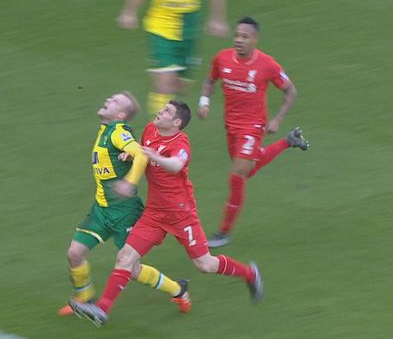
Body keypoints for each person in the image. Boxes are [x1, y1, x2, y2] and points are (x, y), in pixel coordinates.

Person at [69, 101, 262, 327]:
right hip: (154, 213)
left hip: (181, 215)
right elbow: (142, 153)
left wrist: (153, 156)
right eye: (162, 109)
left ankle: (250, 274)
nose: (160, 111)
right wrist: (132, 156)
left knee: (205, 264)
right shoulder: (151, 129)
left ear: (177, 122)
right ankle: (101, 309)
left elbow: (175, 165)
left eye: (167, 111)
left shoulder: (182, 143)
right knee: (125, 258)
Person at [58, 92, 192, 317]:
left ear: (120, 114)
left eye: (115, 101)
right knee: (74, 253)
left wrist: (129, 183)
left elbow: (140, 155)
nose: (108, 100)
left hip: (125, 212)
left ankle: (178, 290)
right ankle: (84, 298)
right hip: (101, 209)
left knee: (132, 269)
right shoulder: (106, 131)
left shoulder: (118, 133)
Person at [197, 17, 309, 248]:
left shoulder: (267, 64)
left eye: (245, 37)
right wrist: (204, 101)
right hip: (231, 126)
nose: (239, 40)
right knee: (247, 171)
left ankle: (223, 232)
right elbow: (210, 81)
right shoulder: (222, 58)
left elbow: (291, 91)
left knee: (237, 176)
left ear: (255, 39)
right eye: (237, 35)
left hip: (253, 127)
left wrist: (277, 118)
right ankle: (288, 142)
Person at [117, 0, 229, 117]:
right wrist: (130, 11)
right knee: (164, 85)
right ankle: (159, 134)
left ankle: (169, 123)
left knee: (181, 87)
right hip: (161, 23)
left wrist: (217, 17)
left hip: (189, 26)